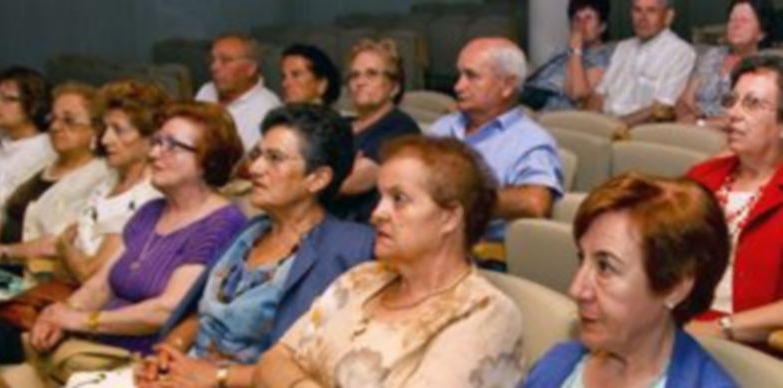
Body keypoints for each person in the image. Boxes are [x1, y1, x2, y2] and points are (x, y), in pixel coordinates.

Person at [254, 136, 524, 387]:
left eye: (399, 199)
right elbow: (270, 363)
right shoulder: (361, 278)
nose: (377, 214)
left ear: (449, 217)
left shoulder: (485, 312)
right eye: (380, 198)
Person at [137, 104, 374, 388]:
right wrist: (172, 352)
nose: (255, 169)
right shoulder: (252, 231)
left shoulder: (348, 249)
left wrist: (217, 378)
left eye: (275, 158)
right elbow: (205, 312)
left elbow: (323, 366)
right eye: (257, 155)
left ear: (318, 179)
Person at [27, 101, 248, 375]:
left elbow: (167, 310)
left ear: (207, 161)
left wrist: (84, 321)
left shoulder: (221, 223)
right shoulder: (150, 211)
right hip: (95, 341)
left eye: (171, 146)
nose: (155, 153)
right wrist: (61, 316)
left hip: (148, 359)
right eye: (157, 142)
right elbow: (100, 285)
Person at [527, 173, 737, 387]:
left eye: (605, 267)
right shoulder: (557, 363)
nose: (576, 289)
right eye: (582, 259)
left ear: (675, 288)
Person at [430, 37, 563, 271]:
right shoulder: (442, 127)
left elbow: (535, 202)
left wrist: (460, 198)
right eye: (459, 75)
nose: (458, 86)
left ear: (507, 86)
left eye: (471, 76)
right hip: (428, 247)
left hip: (482, 262)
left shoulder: (530, 141)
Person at [686, 54, 783, 352]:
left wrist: (720, 328)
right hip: (680, 326)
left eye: (752, 104)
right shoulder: (703, 177)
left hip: (749, 348)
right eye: (732, 100)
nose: (734, 114)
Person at [0, 83, 110, 268]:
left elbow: (56, 244)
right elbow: (3, 216)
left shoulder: (100, 177)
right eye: (54, 118)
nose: (56, 126)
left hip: (35, 280)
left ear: (96, 129)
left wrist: (2, 252)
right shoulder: (43, 164)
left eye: (69, 120)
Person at [53, 79, 168, 282]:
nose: (105, 139)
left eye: (119, 130)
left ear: (151, 137)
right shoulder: (106, 183)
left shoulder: (150, 196)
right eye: (105, 128)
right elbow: (63, 271)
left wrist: (63, 246)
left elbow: (92, 276)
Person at [330, 38, 421, 223]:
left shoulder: (400, 128)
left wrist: (320, 169)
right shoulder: (340, 125)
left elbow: (350, 183)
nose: (360, 82)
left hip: (364, 229)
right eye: (354, 75)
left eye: (371, 74)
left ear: (394, 87)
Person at [590, 0, 695, 127]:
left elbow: (662, 108)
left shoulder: (681, 52)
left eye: (651, 11)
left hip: (639, 131)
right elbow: (599, 94)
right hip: (604, 125)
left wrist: (616, 126)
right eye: (637, 10)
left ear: (668, 16)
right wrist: (592, 122)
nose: (642, 18)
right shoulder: (623, 47)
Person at [676, 0, 775, 129]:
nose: (735, 25)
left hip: (728, 134)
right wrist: (688, 119)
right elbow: (684, 100)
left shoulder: (764, 67)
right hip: (691, 127)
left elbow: (749, 116)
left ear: (761, 33)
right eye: (732, 20)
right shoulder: (713, 55)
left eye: (744, 20)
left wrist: (701, 124)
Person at [0, 67, 54, 237]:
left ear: (34, 106)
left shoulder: (43, 153)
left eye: (9, 99)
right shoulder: (4, 145)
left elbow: (10, 219)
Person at [195, 32, 281, 150]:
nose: (214, 67)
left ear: (250, 68)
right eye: (212, 60)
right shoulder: (206, 90)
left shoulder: (268, 109)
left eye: (225, 60)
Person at [522, 0, 612, 111]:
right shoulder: (562, 50)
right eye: (577, 19)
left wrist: (576, 50)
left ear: (602, 26)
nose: (581, 25)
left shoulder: (603, 56)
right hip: (530, 95)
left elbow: (578, 94)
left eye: (588, 18)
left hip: (552, 108)